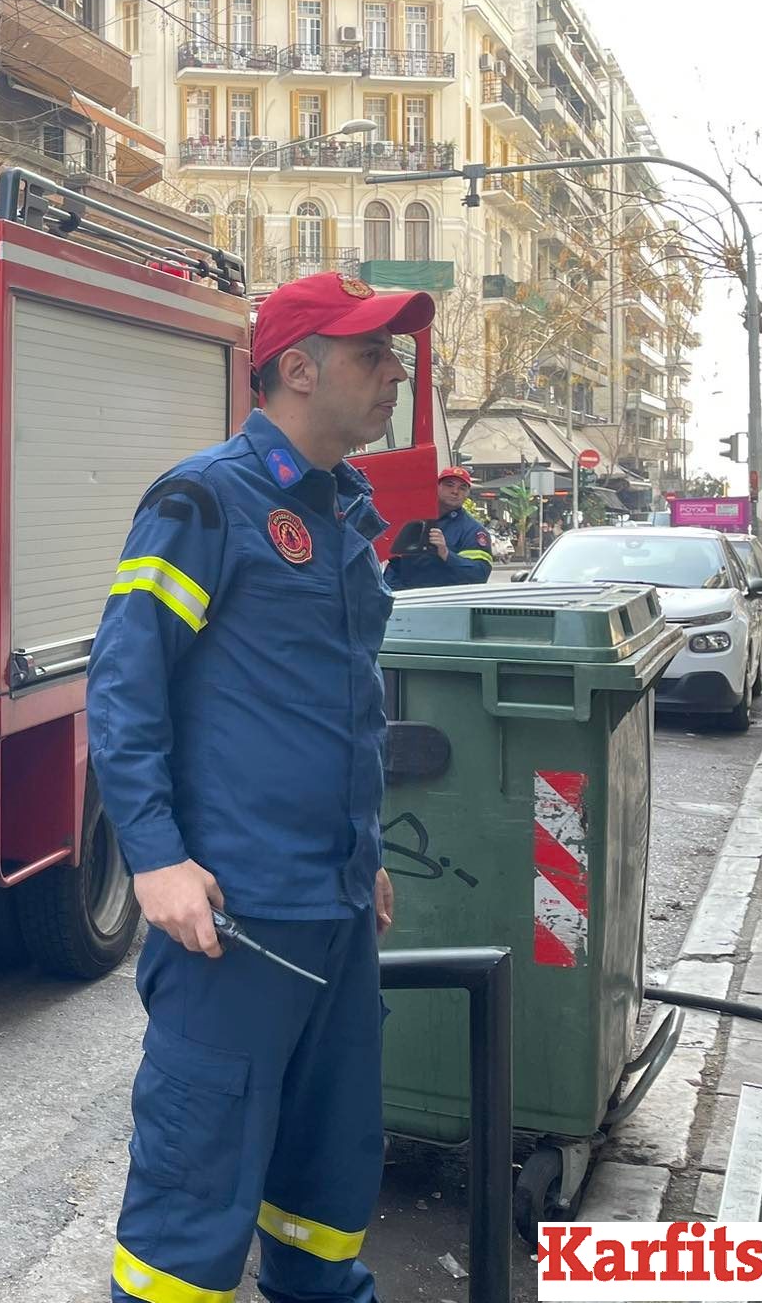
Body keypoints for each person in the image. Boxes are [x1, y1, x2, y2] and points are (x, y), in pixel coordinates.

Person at [87, 269, 435, 1303]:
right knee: (191, 1205)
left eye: (393, 353)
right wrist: (154, 860)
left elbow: (333, 708)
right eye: (372, 353)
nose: (395, 372)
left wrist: (364, 856)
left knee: (326, 1187)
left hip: (334, 911)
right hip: (233, 922)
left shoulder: (341, 510)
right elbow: (123, 689)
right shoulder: (204, 499)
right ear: (298, 369)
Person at [384, 466, 494, 590]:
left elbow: (480, 574)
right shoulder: (413, 518)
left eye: (462, 488)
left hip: (442, 598)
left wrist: (446, 553)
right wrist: (392, 594)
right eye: (449, 485)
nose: (455, 491)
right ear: (437, 487)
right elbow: (395, 563)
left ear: (467, 494)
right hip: (407, 597)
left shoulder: (473, 531)